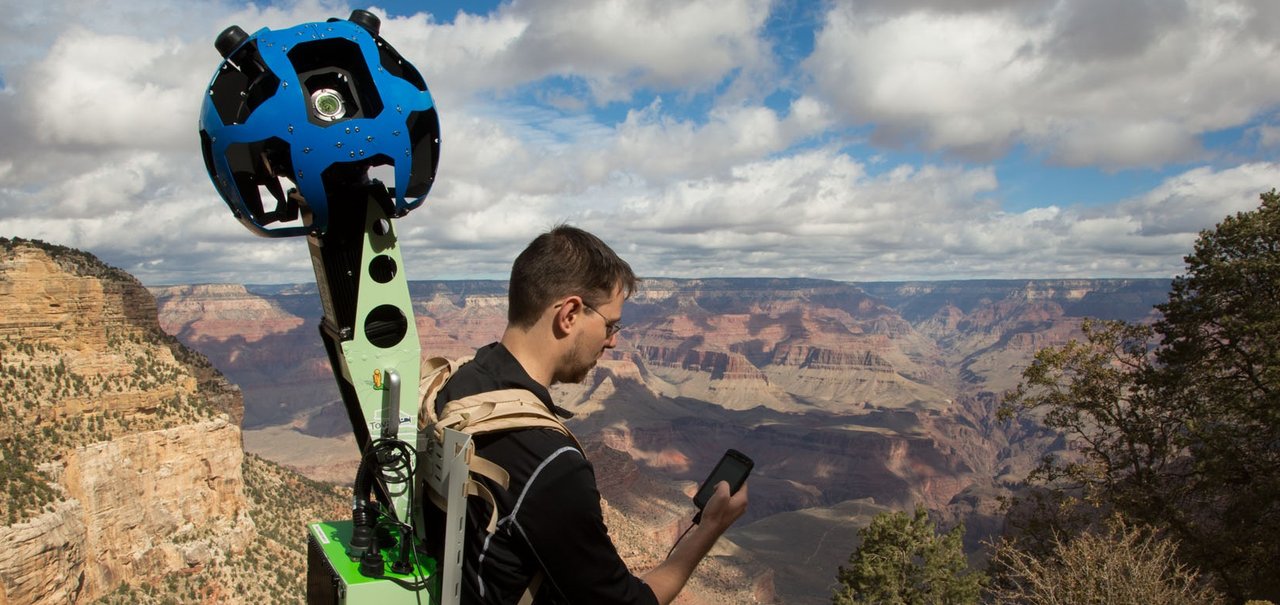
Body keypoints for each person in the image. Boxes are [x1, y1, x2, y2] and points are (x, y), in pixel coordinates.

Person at [431, 224, 749, 604]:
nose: (614, 340)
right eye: (610, 325)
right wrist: (709, 529)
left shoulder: (460, 380)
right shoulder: (549, 463)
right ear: (569, 314)